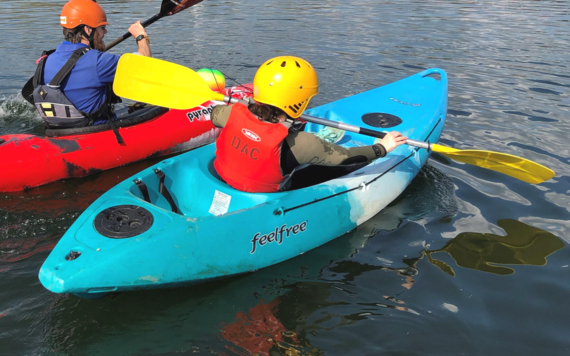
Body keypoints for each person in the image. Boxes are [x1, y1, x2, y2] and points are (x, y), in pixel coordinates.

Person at [211, 56, 408, 193]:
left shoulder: (230, 113)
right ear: (300, 100)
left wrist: (245, 108)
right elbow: (346, 157)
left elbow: (214, 116)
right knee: (331, 166)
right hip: (268, 193)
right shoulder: (302, 143)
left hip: (224, 177)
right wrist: (382, 148)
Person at [32, 0, 151, 130]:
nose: (105, 33)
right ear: (88, 30)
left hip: (59, 133)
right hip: (97, 134)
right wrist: (141, 37)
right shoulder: (98, 62)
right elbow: (144, 62)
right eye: (102, 28)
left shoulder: (46, 61)